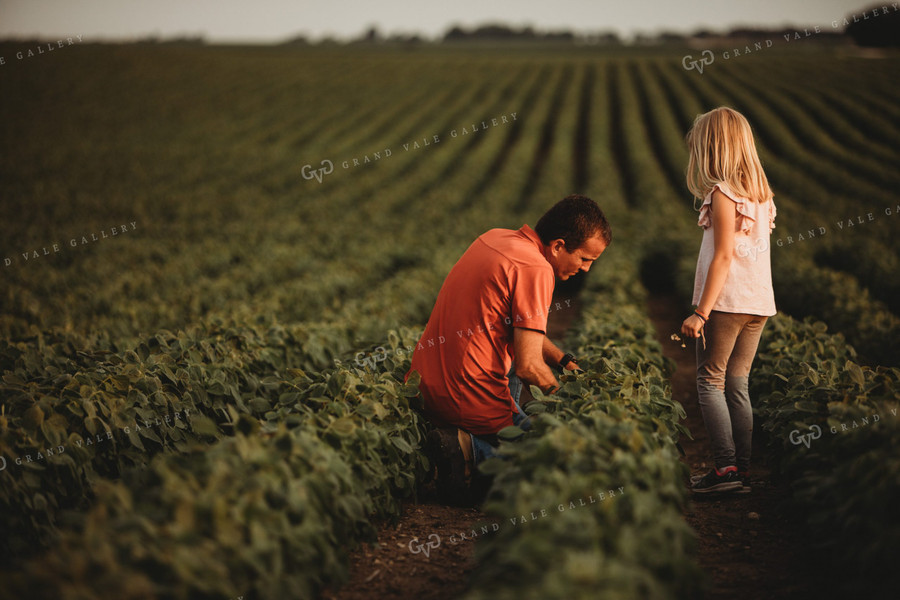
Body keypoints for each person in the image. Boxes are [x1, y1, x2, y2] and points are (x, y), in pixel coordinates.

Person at [409, 195, 611, 502]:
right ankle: (470, 451)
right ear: (557, 246)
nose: (586, 270)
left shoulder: (496, 238)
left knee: (527, 420)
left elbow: (520, 327)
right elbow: (528, 366)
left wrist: (564, 361)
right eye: (585, 259)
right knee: (554, 466)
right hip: (464, 396)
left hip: (425, 383)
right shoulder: (536, 268)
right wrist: (573, 407)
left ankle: (481, 436)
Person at [680, 107, 777, 494]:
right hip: (758, 303)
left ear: (712, 148)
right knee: (738, 384)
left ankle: (724, 470)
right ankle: (742, 470)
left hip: (726, 303)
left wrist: (700, 312)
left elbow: (722, 255)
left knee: (709, 381)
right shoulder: (761, 195)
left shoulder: (722, 193)